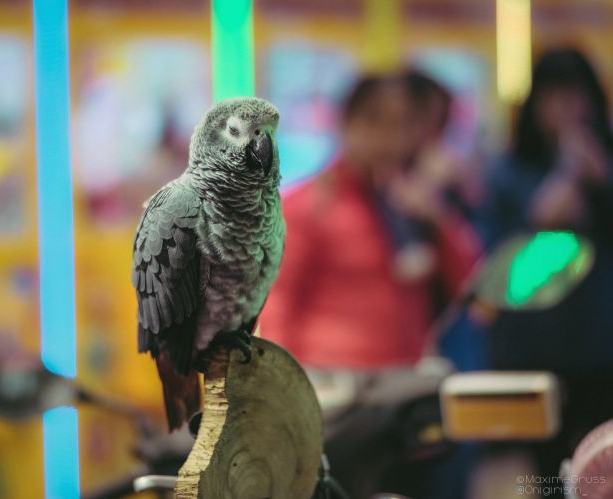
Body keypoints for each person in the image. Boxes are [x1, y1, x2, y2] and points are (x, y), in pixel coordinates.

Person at [259, 73, 481, 370]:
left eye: (404, 124)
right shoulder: (310, 205)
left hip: (403, 380)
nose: (391, 139)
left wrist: (438, 220)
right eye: (377, 122)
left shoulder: (411, 206)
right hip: (333, 385)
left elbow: (470, 288)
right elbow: (276, 305)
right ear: (347, 123)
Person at [478, 47, 613, 495]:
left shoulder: (605, 166)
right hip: (537, 343)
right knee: (546, 471)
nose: (567, 109)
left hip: (602, 342)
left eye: (576, 96)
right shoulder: (510, 171)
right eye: (554, 97)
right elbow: (506, 250)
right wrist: (568, 175)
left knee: (603, 460)